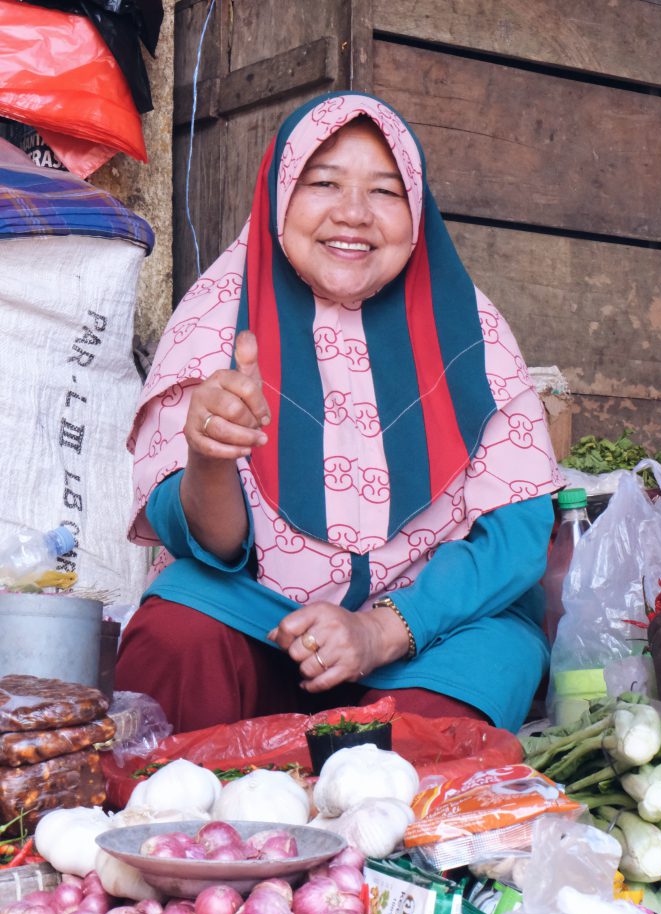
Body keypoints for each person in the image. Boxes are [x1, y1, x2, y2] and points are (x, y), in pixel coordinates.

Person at [116, 91, 562, 735]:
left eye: (386, 192)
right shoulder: (217, 315)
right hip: (259, 615)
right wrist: (209, 461)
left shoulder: (472, 331)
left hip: (424, 639)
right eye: (323, 183)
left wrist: (382, 630)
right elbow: (200, 543)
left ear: (418, 211)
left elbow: (516, 540)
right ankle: (194, 827)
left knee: (455, 712)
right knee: (176, 635)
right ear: (278, 196)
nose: (353, 215)